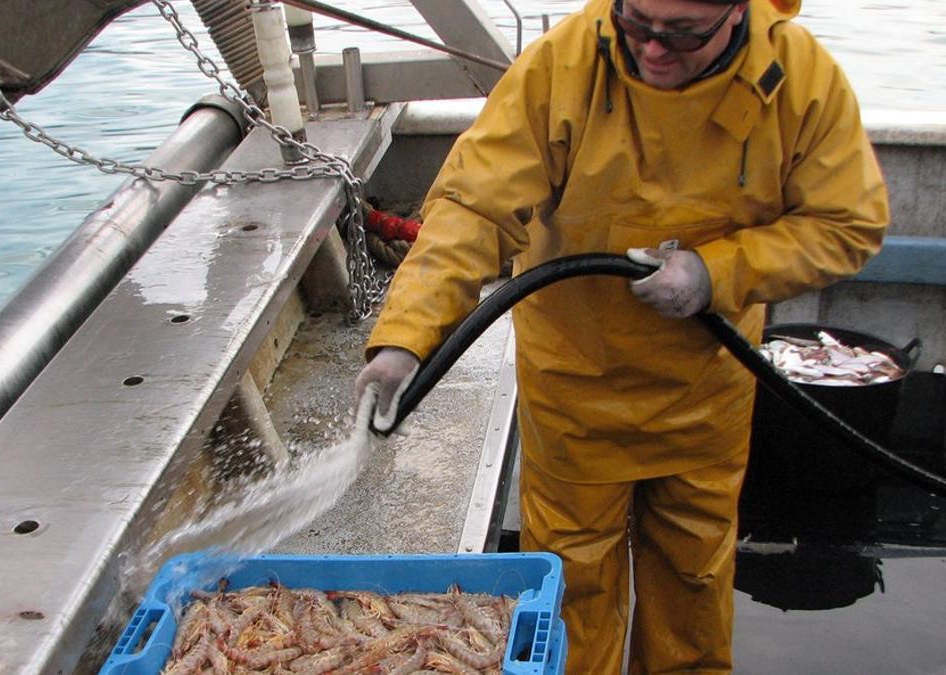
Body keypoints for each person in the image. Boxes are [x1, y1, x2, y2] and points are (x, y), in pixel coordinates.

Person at [353, 0, 888, 672]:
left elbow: (848, 224)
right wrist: (406, 336)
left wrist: (715, 272)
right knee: (574, 589)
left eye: (684, 35)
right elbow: (474, 206)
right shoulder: (565, 63)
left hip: (706, 391)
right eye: (638, 25)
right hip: (576, 392)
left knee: (693, 583)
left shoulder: (801, 78)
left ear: (738, 13)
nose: (655, 51)